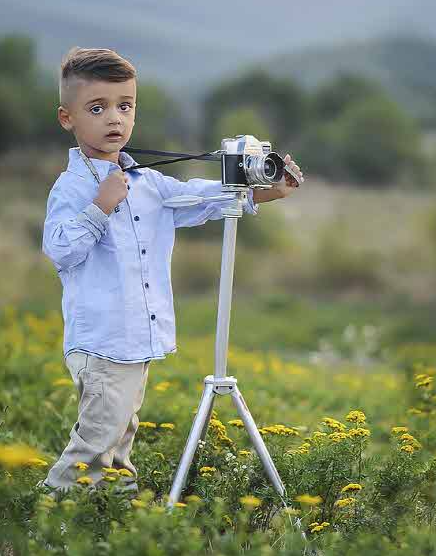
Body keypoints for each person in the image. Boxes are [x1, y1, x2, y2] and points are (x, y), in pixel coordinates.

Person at [42, 47, 304, 491]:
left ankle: (114, 507)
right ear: (68, 118)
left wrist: (265, 191)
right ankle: (50, 514)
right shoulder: (73, 186)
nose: (114, 119)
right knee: (96, 440)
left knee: (120, 433)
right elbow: (60, 250)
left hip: (135, 339)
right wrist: (99, 207)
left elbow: (198, 197)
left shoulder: (148, 181)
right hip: (103, 340)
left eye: (125, 107)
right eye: (98, 108)